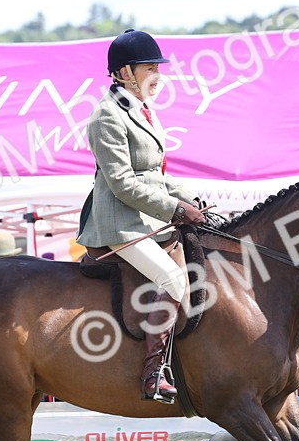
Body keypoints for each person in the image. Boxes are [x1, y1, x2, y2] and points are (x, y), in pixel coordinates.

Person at [76, 29, 205, 404]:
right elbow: (122, 184)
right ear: (124, 73)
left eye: (157, 68)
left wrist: (195, 200)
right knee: (172, 279)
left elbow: (156, 176)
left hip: (150, 221)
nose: (158, 75)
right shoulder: (106, 116)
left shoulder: (143, 111)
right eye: (150, 68)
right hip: (121, 223)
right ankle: (153, 376)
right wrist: (177, 210)